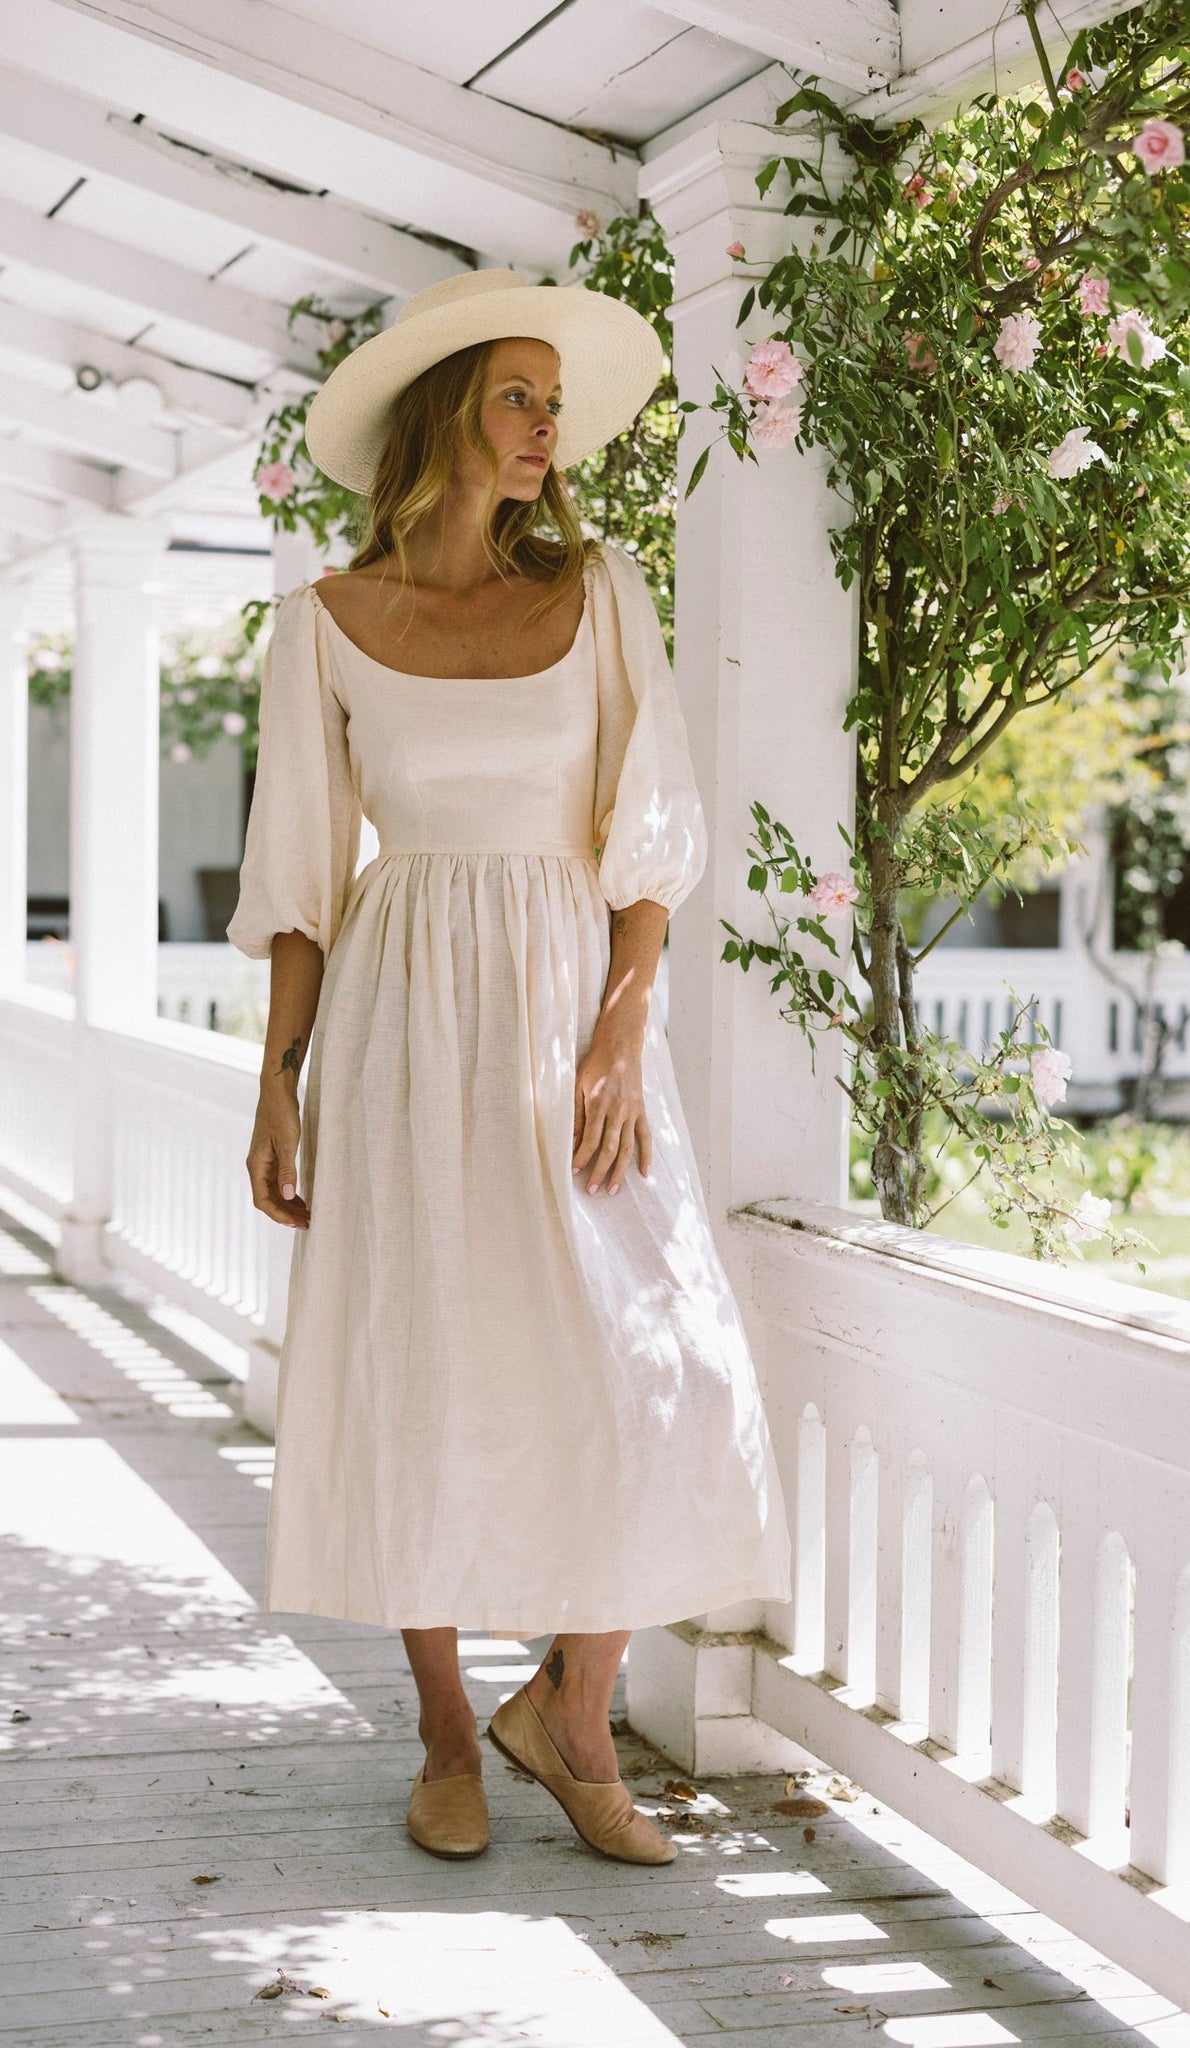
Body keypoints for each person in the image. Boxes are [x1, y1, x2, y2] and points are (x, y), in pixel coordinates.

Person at [227, 266, 790, 1868]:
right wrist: (276, 1080)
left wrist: (625, 1020)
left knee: (656, 1362)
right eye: (517, 397)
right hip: (401, 1019)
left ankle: (570, 1710)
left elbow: (652, 831)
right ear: (445, 416)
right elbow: (297, 880)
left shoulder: (601, 590)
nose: (549, 427)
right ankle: (441, 1733)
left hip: (570, 1016)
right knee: (416, 1363)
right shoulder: (321, 627)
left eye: (554, 400)